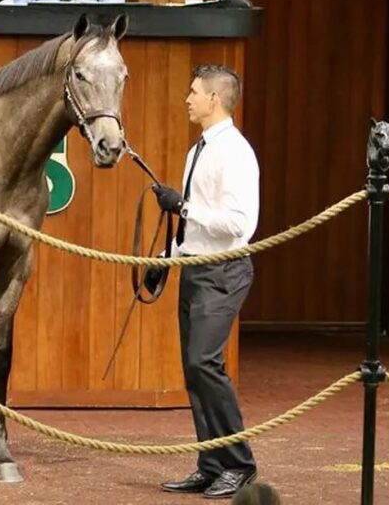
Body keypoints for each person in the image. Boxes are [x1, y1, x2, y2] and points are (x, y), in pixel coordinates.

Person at [147, 64, 260, 499]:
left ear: (214, 99)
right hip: (195, 267)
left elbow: (239, 224)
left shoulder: (235, 152)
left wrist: (184, 207)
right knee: (195, 371)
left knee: (204, 364)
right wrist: (165, 258)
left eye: (194, 92)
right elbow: (195, 230)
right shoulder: (197, 152)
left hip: (224, 270)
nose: (187, 98)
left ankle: (239, 463)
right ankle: (211, 463)